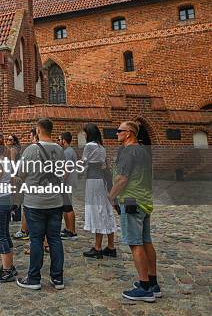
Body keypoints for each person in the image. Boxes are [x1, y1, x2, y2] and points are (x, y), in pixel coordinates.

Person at [109, 121, 160, 302]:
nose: (117, 134)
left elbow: (122, 179)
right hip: (145, 201)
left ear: (129, 133)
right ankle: (153, 282)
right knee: (146, 241)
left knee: (135, 244)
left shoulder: (128, 152)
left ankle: (145, 287)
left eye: (119, 131)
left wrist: (110, 197)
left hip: (131, 201)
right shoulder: (144, 151)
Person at [16, 118, 66, 291]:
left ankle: (34, 278)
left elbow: (20, 174)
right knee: (55, 239)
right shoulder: (60, 149)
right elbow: (64, 173)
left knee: (36, 239)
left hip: (35, 201)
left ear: (38, 130)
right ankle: (58, 278)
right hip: (55, 201)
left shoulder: (31, 150)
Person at [82, 123, 117, 259]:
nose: (84, 134)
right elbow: (105, 164)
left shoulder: (89, 146)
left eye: (85, 132)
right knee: (106, 210)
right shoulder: (101, 146)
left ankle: (97, 248)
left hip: (93, 181)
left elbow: (84, 163)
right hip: (102, 180)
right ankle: (111, 246)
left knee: (97, 211)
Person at [0, 138, 19, 283]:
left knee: (0, 236)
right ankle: (9, 265)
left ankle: (7, 271)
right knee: (6, 234)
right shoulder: (6, 161)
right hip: (6, 199)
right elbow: (12, 180)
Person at [14, 129, 37, 241]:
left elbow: (22, 171)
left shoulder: (30, 150)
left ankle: (25, 230)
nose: (29, 138)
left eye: (31, 136)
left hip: (30, 184)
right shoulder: (54, 148)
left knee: (27, 208)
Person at [59, 132, 78, 240]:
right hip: (67, 183)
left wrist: (62, 181)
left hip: (67, 183)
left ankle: (72, 231)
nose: (58, 141)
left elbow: (67, 169)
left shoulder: (67, 152)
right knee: (65, 207)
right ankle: (68, 228)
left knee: (68, 207)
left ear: (64, 140)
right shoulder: (69, 151)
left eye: (59, 139)